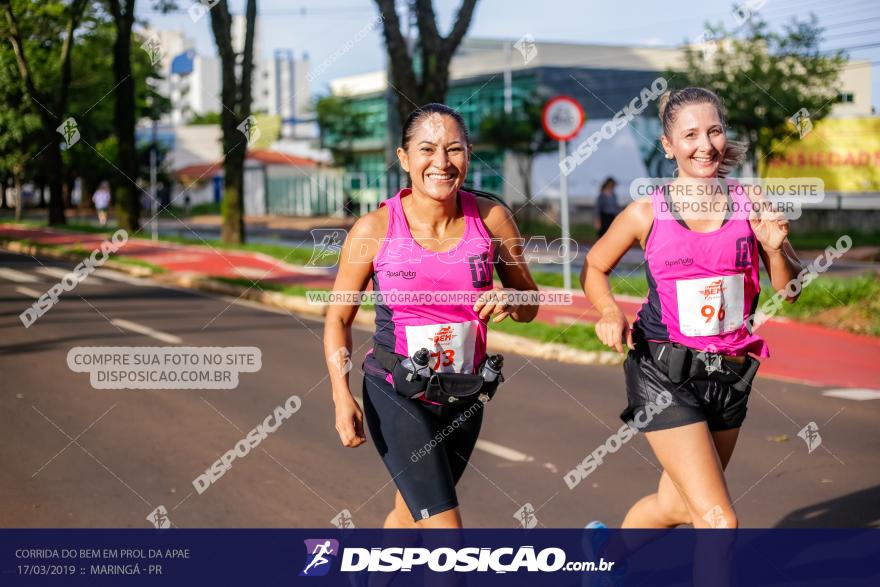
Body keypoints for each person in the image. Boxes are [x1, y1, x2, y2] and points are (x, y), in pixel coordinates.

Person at [581, 87, 802, 529]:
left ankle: (605, 556)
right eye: (690, 135)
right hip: (662, 369)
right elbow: (594, 266)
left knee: (677, 506)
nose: (705, 146)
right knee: (718, 520)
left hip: (730, 372)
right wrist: (608, 312)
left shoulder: (750, 203)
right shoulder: (646, 212)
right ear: (668, 145)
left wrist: (776, 251)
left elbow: (790, 289)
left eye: (714, 131)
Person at [324, 103, 538, 529]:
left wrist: (513, 301)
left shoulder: (492, 219)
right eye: (426, 149)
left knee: (407, 520)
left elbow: (530, 301)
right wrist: (340, 394)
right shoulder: (374, 229)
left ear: (468, 154)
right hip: (396, 391)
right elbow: (338, 319)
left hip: (464, 394)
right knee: (446, 536)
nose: (441, 163)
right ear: (404, 159)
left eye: (454, 149)